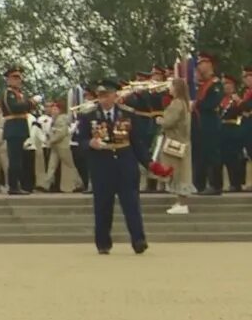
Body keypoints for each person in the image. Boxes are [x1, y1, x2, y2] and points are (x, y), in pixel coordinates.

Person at [79, 79, 147, 255]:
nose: (103, 99)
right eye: (100, 96)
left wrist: (149, 163)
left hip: (125, 164)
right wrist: (89, 143)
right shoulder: (89, 116)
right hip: (102, 166)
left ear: (115, 95)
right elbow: (80, 141)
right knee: (102, 206)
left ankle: (138, 239)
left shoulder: (128, 115)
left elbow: (137, 142)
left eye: (106, 95)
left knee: (131, 204)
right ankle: (103, 243)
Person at [0, 66, 38, 194]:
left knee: (19, 159)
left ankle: (17, 185)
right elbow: (14, 108)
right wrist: (31, 103)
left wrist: (29, 104)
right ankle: (13, 186)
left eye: (19, 77)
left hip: (20, 127)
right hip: (13, 127)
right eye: (15, 77)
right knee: (14, 159)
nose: (18, 80)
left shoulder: (19, 93)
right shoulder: (9, 93)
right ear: (8, 79)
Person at [157, 78, 193, 214]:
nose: (169, 89)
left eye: (171, 86)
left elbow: (169, 122)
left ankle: (183, 204)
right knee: (180, 172)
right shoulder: (184, 103)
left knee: (178, 173)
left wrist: (160, 120)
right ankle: (180, 202)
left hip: (176, 143)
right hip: (182, 142)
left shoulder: (177, 103)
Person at [193, 54, 226, 195]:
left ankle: (215, 185)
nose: (199, 66)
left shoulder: (215, 84)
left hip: (210, 121)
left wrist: (197, 104)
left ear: (210, 64)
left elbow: (212, 102)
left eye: (202, 63)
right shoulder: (199, 84)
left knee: (212, 154)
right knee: (200, 154)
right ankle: (198, 184)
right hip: (199, 122)